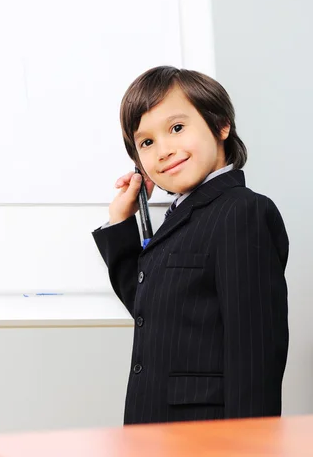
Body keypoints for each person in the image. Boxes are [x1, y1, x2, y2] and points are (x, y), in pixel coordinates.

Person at [92, 65, 289, 425]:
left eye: (177, 128)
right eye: (146, 142)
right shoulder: (181, 217)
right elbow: (146, 305)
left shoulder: (241, 211)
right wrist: (122, 221)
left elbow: (255, 350)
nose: (163, 150)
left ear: (220, 125)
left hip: (206, 434)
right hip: (153, 427)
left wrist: (249, 446)